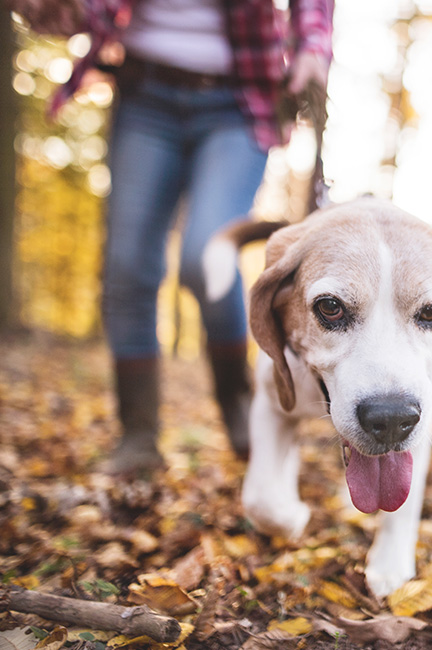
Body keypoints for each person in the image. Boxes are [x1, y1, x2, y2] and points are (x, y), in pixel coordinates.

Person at [8, 0, 334, 472]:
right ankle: (138, 436)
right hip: (144, 92)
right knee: (127, 267)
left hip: (241, 99)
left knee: (208, 256)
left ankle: (237, 401)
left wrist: (313, 48)